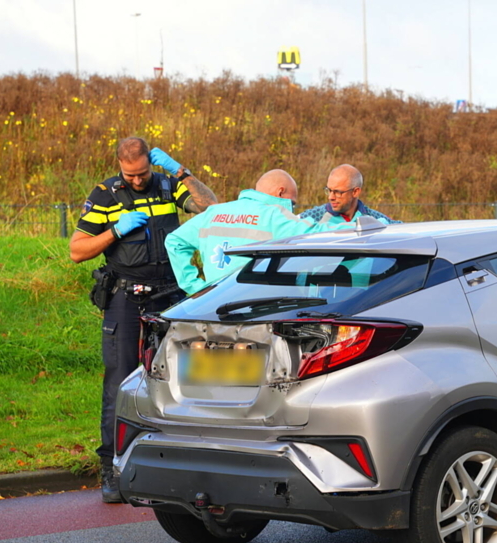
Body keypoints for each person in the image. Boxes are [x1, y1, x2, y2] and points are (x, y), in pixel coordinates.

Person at [69, 137, 217, 503]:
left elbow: (210, 207)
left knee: (185, 378)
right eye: (130, 175)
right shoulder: (105, 195)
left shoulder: (167, 185)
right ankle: (112, 468)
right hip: (125, 297)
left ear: (152, 163)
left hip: (170, 295)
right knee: (119, 382)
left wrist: (180, 171)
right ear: (120, 166)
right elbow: (76, 250)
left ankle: (180, 464)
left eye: (142, 173)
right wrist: (114, 231)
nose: (137, 180)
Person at [167, 169, 320, 295]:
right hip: (257, 308)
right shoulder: (274, 216)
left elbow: (174, 241)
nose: (291, 209)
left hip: (213, 306)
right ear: (280, 192)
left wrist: (196, 289)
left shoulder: (213, 212)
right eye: (291, 202)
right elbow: (319, 238)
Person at [299, 164, 399, 228]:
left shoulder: (376, 220)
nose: (331, 197)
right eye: (329, 190)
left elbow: (405, 230)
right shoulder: (313, 217)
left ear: (355, 192)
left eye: (338, 192)